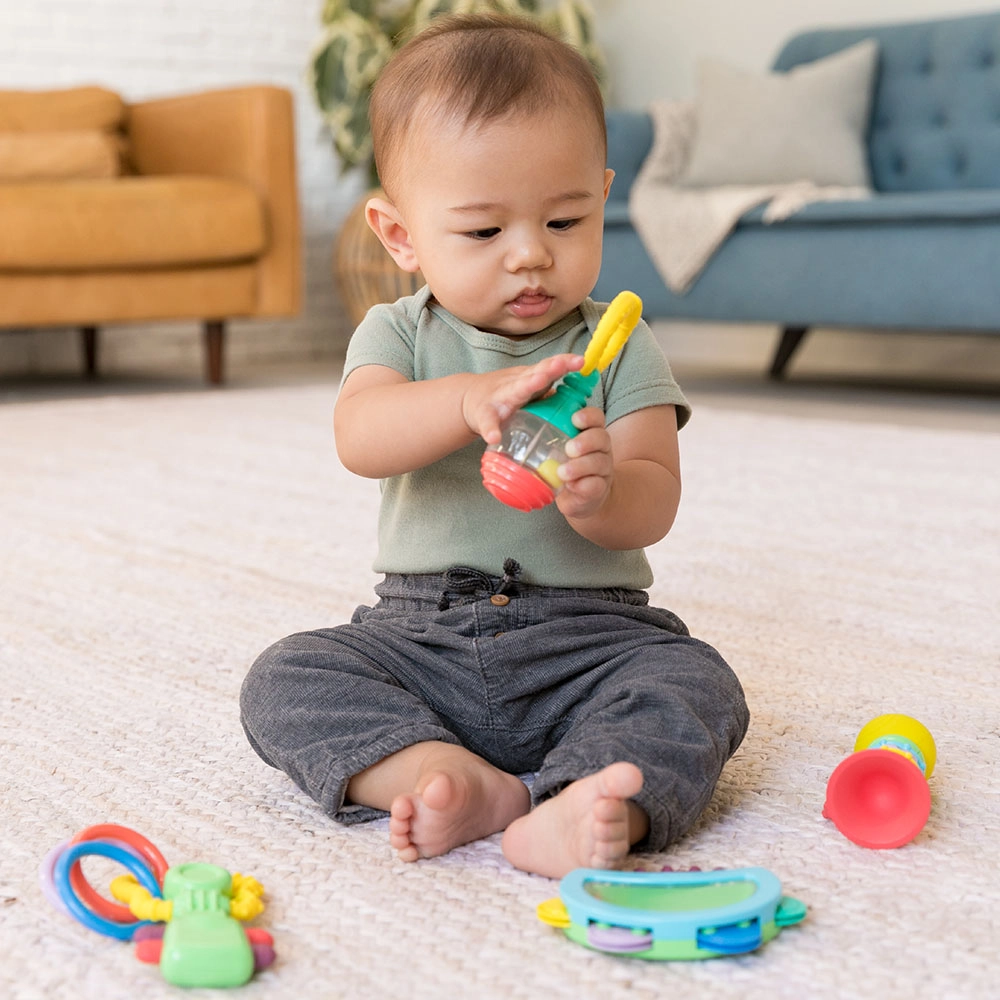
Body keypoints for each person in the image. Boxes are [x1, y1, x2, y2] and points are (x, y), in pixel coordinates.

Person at [240, 13, 748, 879]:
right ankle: (443, 774)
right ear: (401, 236)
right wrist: (468, 398)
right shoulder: (395, 332)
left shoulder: (618, 346)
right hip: (417, 637)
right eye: (483, 233)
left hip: (589, 640)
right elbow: (361, 437)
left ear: (601, 193)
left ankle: (590, 800)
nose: (529, 258)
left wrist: (600, 493)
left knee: (696, 684)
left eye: (564, 220)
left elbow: (654, 495)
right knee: (284, 678)